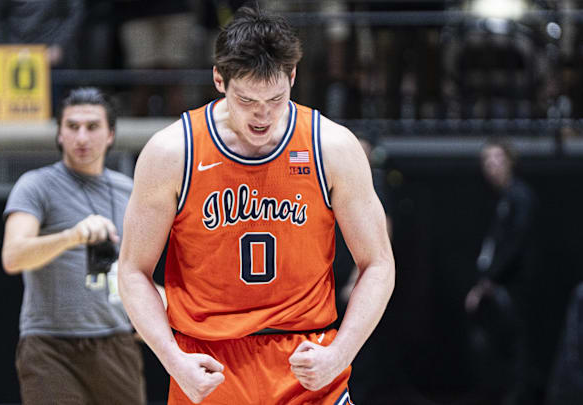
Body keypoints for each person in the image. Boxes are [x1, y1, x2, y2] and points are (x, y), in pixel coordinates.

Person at [118, 6, 395, 404]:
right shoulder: (172, 152)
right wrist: (173, 359)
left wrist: (340, 354)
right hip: (209, 364)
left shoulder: (331, 146)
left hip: (307, 361)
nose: (262, 114)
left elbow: (379, 264)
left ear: (293, 77)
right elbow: (132, 271)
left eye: (275, 98)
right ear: (219, 79)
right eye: (247, 99)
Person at [1, 87, 146, 404]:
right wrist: (72, 236)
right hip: (51, 345)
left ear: (110, 134)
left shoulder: (128, 190)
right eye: (72, 126)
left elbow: (139, 268)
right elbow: (13, 257)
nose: (82, 137)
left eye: (92, 127)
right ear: (59, 134)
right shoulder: (36, 184)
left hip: (115, 341)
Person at [464, 140, 540, 405]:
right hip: (497, 284)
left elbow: (516, 242)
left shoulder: (520, 196)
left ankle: (517, 397)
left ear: (510, 161)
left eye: (497, 159)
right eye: (486, 160)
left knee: (515, 343)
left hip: (512, 285)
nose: (491, 166)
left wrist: (490, 280)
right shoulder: (501, 199)